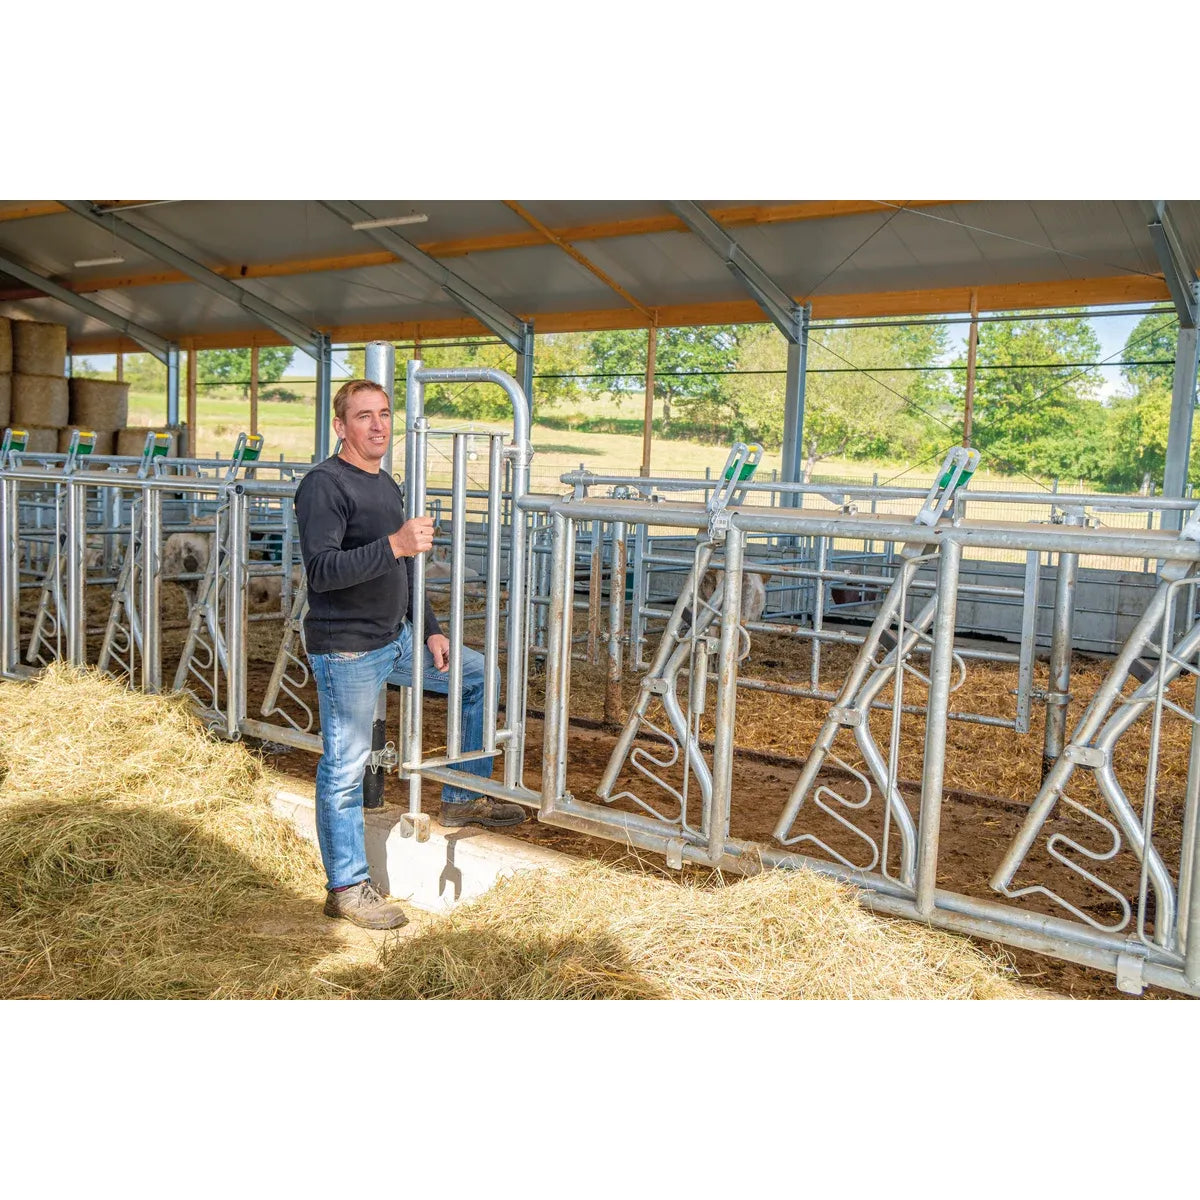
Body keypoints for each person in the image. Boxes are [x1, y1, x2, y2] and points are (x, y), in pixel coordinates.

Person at [294, 378, 525, 930]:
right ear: (340, 426)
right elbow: (322, 571)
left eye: (384, 414)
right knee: (345, 768)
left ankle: (462, 795)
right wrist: (395, 544)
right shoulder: (324, 485)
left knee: (478, 676)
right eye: (363, 416)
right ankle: (346, 887)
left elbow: (404, 568)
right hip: (348, 650)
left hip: (396, 639)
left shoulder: (386, 484)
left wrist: (431, 630)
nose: (378, 425)